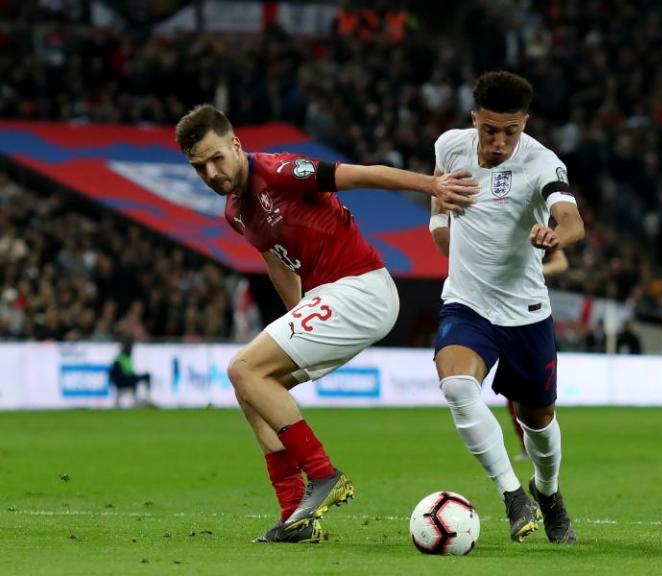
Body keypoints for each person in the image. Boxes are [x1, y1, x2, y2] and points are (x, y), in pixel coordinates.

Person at [175, 104, 477, 543]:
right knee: (251, 389)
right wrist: (295, 318)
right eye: (199, 167)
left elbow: (362, 174)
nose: (211, 172)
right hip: (328, 297)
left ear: (236, 144)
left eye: (216, 157)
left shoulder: (279, 170)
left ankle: (323, 474)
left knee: (242, 368)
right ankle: (295, 518)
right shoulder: (235, 212)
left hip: (361, 286)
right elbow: (276, 259)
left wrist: (430, 184)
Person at [430, 71, 585, 544]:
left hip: (525, 312)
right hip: (467, 304)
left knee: (537, 421)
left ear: (525, 124)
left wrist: (557, 234)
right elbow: (438, 212)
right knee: (457, 386)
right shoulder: (449, 147)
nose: (498, 142)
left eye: (510, 131)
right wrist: (446, 239)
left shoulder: (541, 162)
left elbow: (571, 218)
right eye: (489, 129)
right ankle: (513, 495)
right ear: (474, 119)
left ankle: (549, 493)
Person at [430, 203, 568, 461]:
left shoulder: (534, 228)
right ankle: (523, 448)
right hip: (487, 311)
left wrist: (539, 268)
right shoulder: (488, 231)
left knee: (529, 397)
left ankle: (535, 451)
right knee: (500, 392)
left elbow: (561, 262)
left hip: (528, 311)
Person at [108, 336, 152, 408]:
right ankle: (146, 399)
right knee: (145, 376)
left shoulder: (126, 358)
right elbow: (116, 374)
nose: (131, 350)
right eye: (130, 348)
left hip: (128, 379)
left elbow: (129, 372)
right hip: (123, 381)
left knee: (146, 376)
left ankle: (146, 398)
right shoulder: (119, 360)